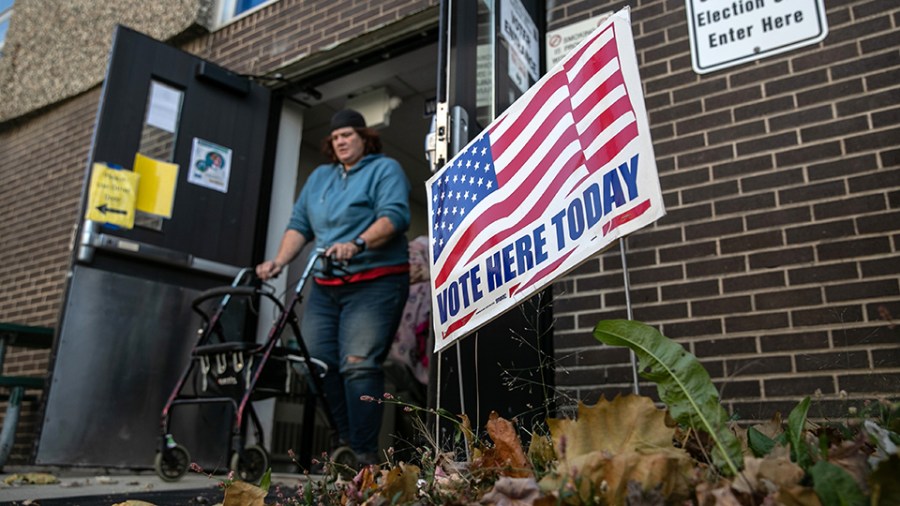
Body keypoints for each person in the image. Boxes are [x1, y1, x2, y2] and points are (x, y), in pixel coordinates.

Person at [256, 109, 411, 466]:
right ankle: (346, 441)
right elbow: (299, 225)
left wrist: (357, 242)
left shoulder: (384, 169)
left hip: (376, 281)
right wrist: (278, 262)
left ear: (364, 137)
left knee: (357, 364)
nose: (341, 141)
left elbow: (395, 215)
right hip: (327, 286)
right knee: (316, 364)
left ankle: (364, 454)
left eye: (348, 135)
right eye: (335, 137)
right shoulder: (320, 178)